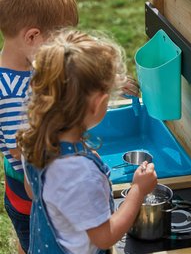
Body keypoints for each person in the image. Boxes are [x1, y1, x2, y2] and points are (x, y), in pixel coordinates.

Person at [17, 29, 157, 254]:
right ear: (99, 103)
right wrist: (138, 190)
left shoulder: (33, 133)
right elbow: (105, 237)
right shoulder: (79, 172)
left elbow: (33, 191)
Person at [0, 0, 78, 253]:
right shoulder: (11, 95)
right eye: (58, 43)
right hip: (31, 197)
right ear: (33, 36)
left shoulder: (28, 67)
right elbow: (23, 155)